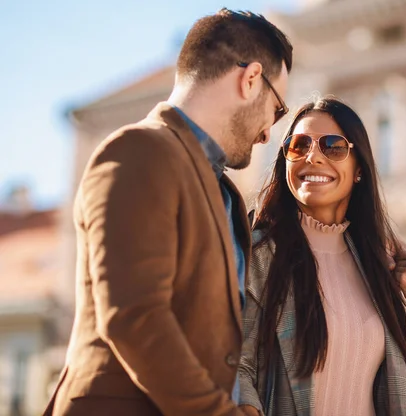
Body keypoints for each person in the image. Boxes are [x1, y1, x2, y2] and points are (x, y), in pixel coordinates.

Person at [44, 9, 292, 416]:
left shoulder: (221, 190)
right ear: (250, 80)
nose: (269, 132)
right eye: (277, 109)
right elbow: (135, 317)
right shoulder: (138, 150)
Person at [237, 97, 406, 416]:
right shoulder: (256, 254)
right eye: (298, 146)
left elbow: (398, 398)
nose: (313, 156)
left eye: (332, 146)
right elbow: (236, 371)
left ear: (359, 169)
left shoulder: (375, 265)